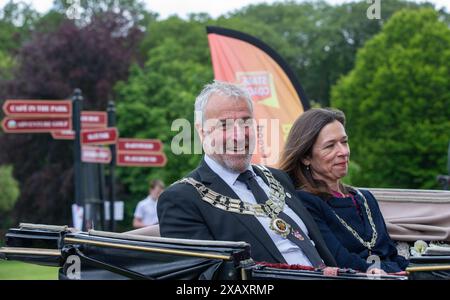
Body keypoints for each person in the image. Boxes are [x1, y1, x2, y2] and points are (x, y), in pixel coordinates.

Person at [157, 81, 337, 267]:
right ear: (202, 132)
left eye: (245, 122)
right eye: (224, 125)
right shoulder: (182, 198)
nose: (239, 135)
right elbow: (201, 277)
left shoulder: (279, 178)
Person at [279, 108, 409, 274]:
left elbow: (391, 254)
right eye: (330, 146)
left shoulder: (366, 198)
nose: (344, 152)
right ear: (306, 157)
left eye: (344, 142)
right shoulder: (305, 202)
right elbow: (340, 259)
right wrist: (387, 272)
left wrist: (413, 271)